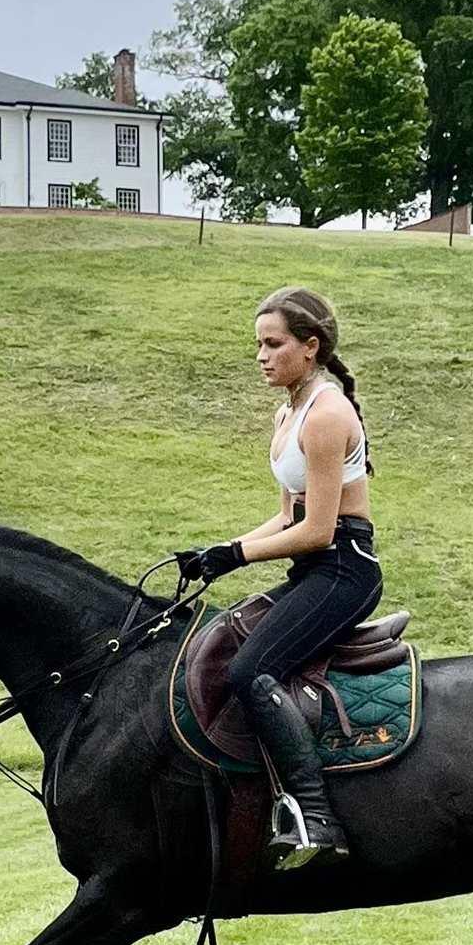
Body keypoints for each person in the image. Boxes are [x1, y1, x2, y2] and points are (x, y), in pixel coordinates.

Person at [175, 285, 381, 867]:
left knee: (252, 669)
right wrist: (220, 548)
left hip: (344, 569)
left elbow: (318, 528)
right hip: (315, 568)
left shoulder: (327, 413)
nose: (261, 356)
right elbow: (288, 514)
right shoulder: (288, 411)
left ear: (309, 347)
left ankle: (317, 818)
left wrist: (237, 556)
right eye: (258, 345)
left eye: (274, 343)